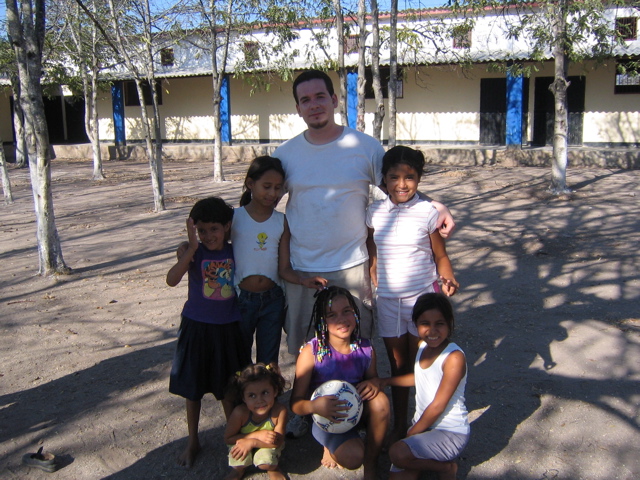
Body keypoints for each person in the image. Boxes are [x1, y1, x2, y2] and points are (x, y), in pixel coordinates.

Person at [273, 69, 456, 361]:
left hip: (353, 266)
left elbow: (397, 186)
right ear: (298, 108)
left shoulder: (365, 147)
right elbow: (263, 201)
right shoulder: (285, 154)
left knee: (355, 350)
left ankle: (357, 405)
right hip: (302, 268)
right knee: (307, 351)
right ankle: (310, 405)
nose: (314, 104)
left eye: (321, 96)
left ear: (334, 100)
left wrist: (435, 204)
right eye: (305, 100)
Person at [366, 145, 459, 443]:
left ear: (419, 179)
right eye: (394, 177)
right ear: (385, 179)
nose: (402, 184)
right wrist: (373, 265)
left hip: (422, 303)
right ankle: (399, 426)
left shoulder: (427, 212)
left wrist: (448, 277)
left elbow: (440, 256)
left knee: (424, 364)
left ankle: (426, 423)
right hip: (389, 302)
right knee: (397, 366)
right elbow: (371, 247)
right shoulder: (374, 212)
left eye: (410, 177)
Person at [166, 197, 250, 468]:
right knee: (193, 389)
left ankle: (233, 439)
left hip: (228, 328)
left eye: (214, 229)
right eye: (202, 230)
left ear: (227, 226)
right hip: (196, 327)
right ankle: (193, 441)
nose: (208, 236)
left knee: (228, 389)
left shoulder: (237, 250)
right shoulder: (194, 253)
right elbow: (171, 280)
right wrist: (190, 248)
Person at [231, 156, 326, 365]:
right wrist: (188, 249)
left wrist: (303, 280)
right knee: (238, 360)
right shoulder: (234, 218)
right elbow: (214, 244)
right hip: (240, 300)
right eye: (267, 186)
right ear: (250, 184)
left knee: (268, 361)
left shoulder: (281, 221)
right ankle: (241, 399)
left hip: (273, 301)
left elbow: (283, 269)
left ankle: (269, 397)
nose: (273, 194)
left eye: (278, 188)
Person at [289, 286, 390, 480]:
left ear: (355, 313)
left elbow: (373, 381)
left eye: (346, 311)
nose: (341, 319)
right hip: (327, 419)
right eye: (332, 315)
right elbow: (296, 403)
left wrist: (375, 383)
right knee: (353, 458)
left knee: (381, 401)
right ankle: (329, 444)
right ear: (323, 321)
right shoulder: (311, 352)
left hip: (355, 411)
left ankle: (371, 465)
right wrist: (314, 406)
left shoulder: (366, 348)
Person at [365, 293, 469, 479]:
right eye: (425, 324)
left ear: (450, 323)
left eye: (440, 323)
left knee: (397, 452)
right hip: (424, 428)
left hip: (450, 433)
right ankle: (428, 459)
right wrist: (385, 381)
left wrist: (411, 432)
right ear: (415, 324)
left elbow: (438, 406)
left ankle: (446, 468)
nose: (432, 330)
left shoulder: (454, 357)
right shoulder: (423, 346)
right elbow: (419, 377)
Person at [223, 363, 288, 480]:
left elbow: (278, 442)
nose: (260, 400)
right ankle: (238, 471)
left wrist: (254, 443)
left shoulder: (279, 411)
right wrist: (254, 436)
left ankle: (273, 468)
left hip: (268, 445)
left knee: (266, 463)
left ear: (275, 391)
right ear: (243, 398)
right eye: (252, 395)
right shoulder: (239, 413)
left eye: (265, 393)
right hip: (243, 443)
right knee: (237, 460)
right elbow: (228, 438)